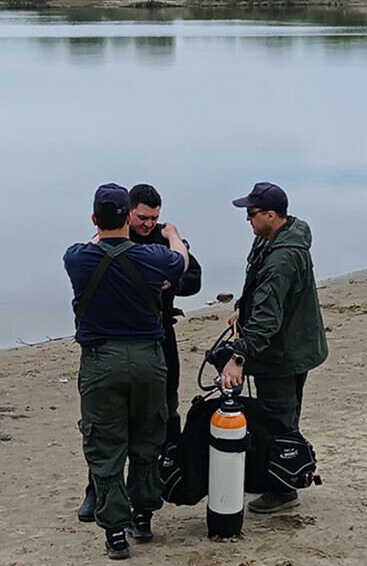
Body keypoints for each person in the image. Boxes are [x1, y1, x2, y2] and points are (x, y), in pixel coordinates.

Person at [64, 183, 189, 560]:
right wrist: (173, 234)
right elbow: (180, 261)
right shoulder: (153, 257)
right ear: (129, 218)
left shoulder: (77, 258)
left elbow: (91, 244)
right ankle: (143, 517)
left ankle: (115, 533)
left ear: (93, 219)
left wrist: (103, 231)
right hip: (149, 360)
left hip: (102, 362)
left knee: (105, 446)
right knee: (148, 439)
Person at [218, 181, 328, 514]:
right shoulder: (274, 237)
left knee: (279, 421)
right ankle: (286, 478)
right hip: (292, 346)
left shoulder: (283, 258)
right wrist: (242, 307)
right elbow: (259, 290)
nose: (247, 220)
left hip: (283, 355)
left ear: (271, 215)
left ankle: (284, 490)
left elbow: (267, 321)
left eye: (251, 214)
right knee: (282, 416)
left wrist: (238, 357)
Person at [127, 184, 202, 444]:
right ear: (129, 213)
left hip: (162, 331)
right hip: (128, 334)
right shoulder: (118, 237)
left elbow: (196, 279)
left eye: (154, 218)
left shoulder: (167, 239)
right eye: (143, 218)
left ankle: (172, 458)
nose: (148, 224)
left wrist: (174, 283)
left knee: (169, 398)